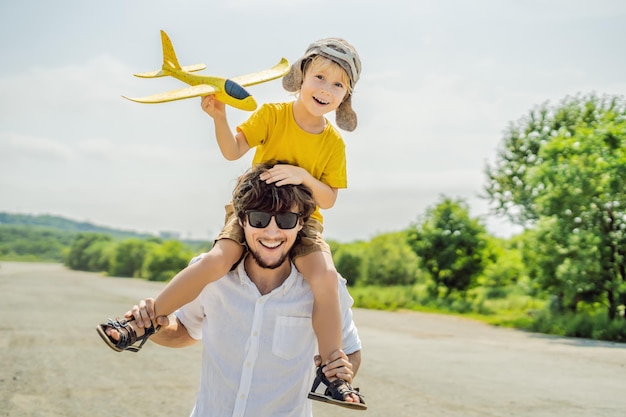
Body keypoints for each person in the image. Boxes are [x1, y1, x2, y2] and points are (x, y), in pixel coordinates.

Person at [98, 37, 364, 407]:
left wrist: (300, 176)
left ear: (346, 95)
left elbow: (330, 198)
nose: (327, 89)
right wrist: (220, 117)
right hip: (252, 211)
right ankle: (142, 321)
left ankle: (334, 374)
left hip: (300, 222)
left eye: (339, 84)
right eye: (320, 77)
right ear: (301, 77)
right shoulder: (272, 114)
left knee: (326, 277)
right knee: (214, 262)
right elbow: (233, 150)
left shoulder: (333, 143)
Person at [99, 163, 366, 416]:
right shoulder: (209, 276)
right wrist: (153, 322)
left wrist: (345, 369)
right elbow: (183, 332)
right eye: (259, 219)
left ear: (301, 224)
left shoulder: (325, 287)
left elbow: (351, 350)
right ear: (241, 221)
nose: (272, 233)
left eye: (285, 220)